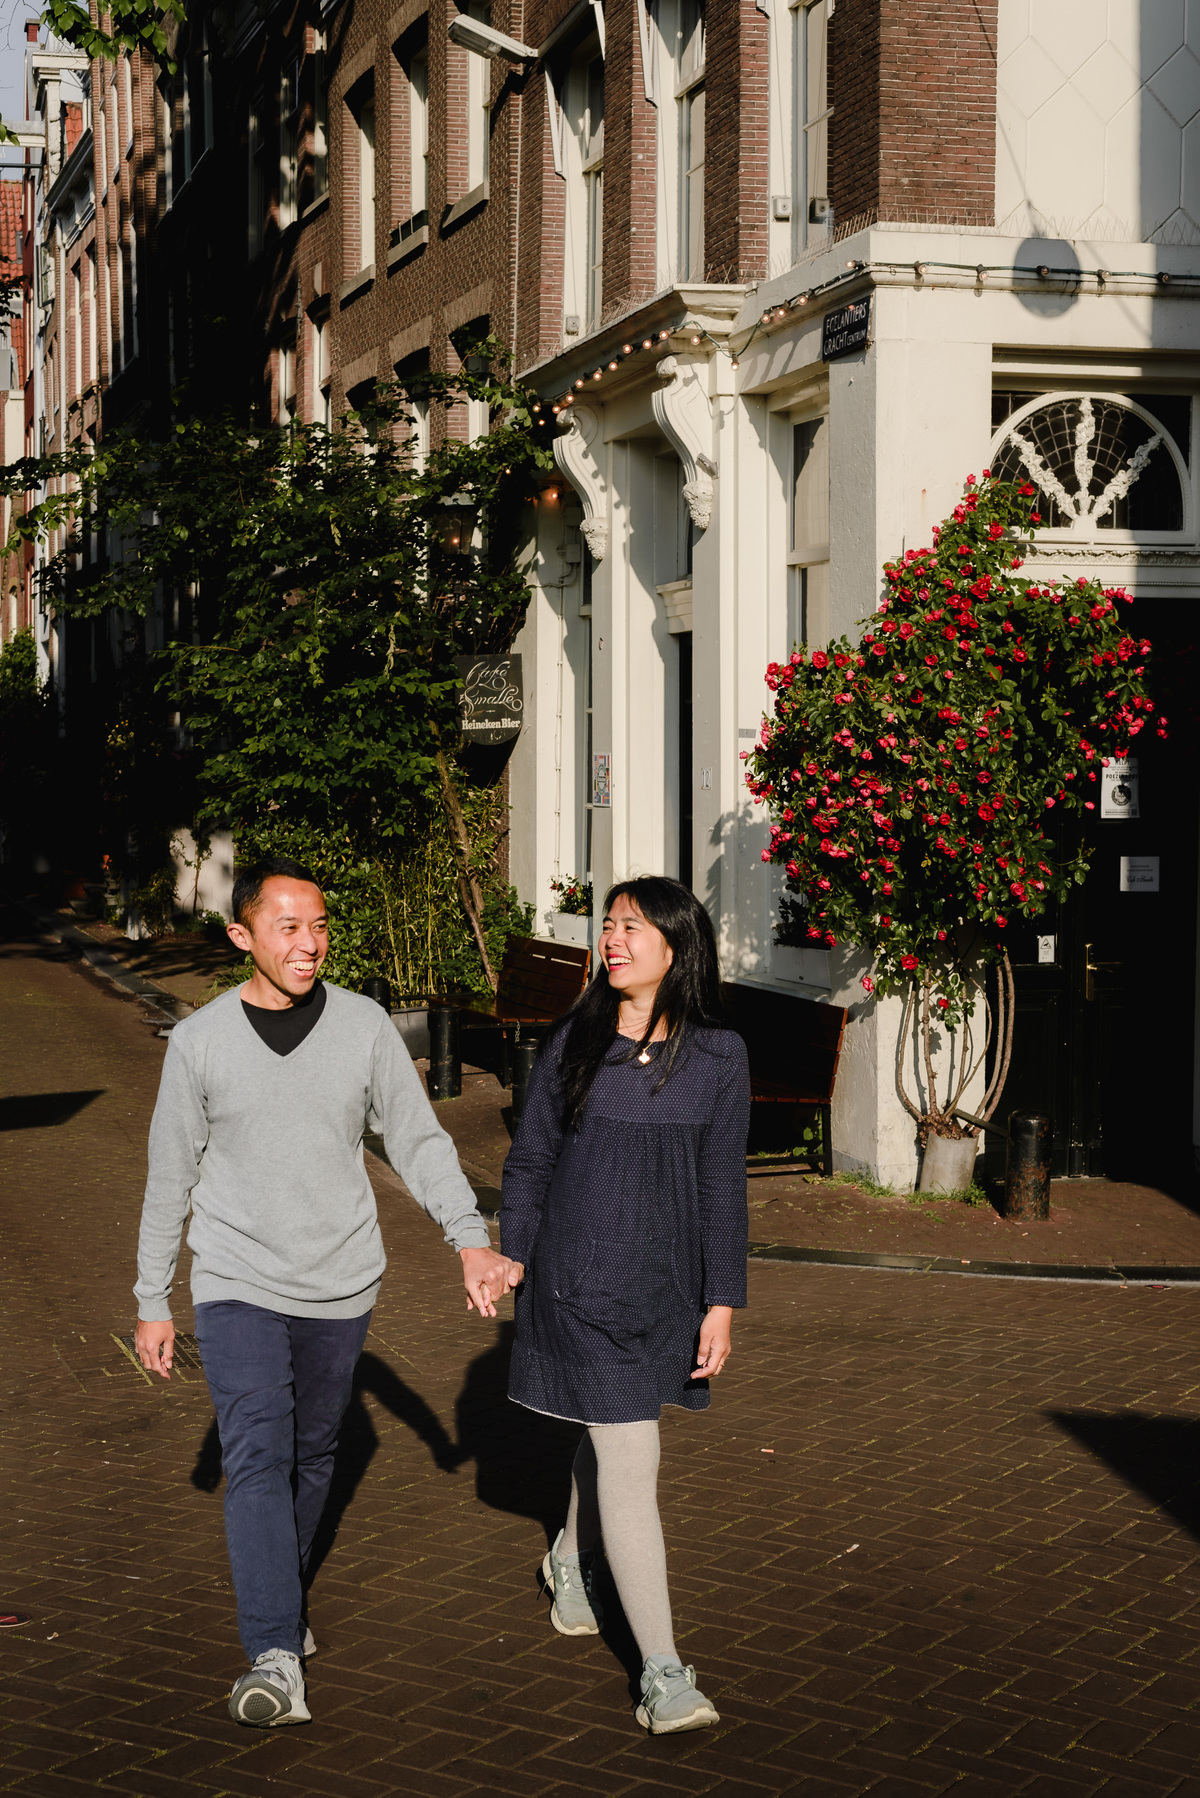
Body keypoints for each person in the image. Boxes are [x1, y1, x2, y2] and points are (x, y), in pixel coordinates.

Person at [133, 856, 522, 1728]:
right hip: (235, 1277)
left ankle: (282, 1594)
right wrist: (152, 1295)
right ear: (243, 937)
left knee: (315, 1454)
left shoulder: (364, 1026)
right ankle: (274, 1647)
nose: (308, 945)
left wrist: (468, 1240)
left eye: (318, 927)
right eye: (287, 928)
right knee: (258, 1455)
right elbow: (170, 1177)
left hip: (341, 1280)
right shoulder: (199, 1043)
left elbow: (416, 1141)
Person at [499, 876, 750, 1735]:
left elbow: (722, 1188)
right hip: (575, 1280)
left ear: (676, 948)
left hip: (664, 1288)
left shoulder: (719, 1057)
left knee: (608, 1431)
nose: (611, 940)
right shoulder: (576, 1036)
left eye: (630, 928)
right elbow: (530, 1158)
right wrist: (513, 1255)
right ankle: (663, 1673)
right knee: (633, 1461)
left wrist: (722, 1300)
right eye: (607, 926)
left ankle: (568, 1558)